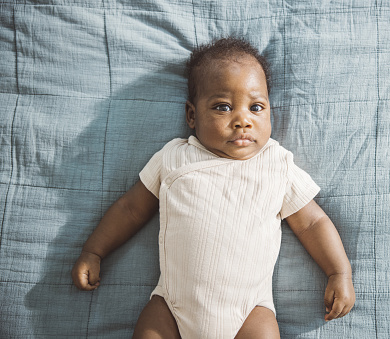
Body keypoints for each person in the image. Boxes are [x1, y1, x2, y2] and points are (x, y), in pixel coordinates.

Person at [72, 37, 355, 339]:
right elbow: (130, 209)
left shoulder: (277, 164)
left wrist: (339, 272)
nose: (242, 120)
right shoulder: (174, 157)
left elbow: (313, 222)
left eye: (256, 107)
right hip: (172, 307)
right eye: (223, 107)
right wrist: (94, 250)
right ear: (192, 116)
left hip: (250, 311)